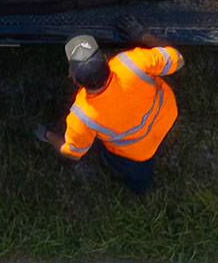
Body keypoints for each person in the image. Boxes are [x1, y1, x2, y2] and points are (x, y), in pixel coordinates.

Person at [39, 14, 183, 194]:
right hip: (167, 117)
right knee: (155, 141)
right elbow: (177, 58)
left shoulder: (83, 116)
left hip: (137, 153)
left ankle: (141, 188)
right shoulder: (133, 62)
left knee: (136, 173)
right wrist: (143, 36)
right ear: (106, 60)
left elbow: (72, 152)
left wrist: (48, 135)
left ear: (73, 77)